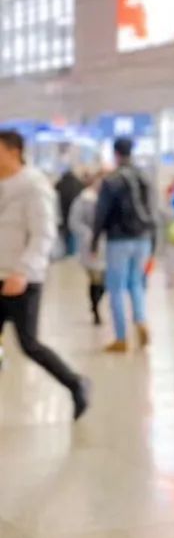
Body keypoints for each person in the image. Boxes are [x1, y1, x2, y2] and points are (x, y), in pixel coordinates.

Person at [0, 130, 90, 419]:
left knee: (29, 344)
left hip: (21, 279)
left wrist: (23, 271)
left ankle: (75, 383)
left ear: (13, 151)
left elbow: (43, 235)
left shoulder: (34, 186)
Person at [93, 137, 157, 353]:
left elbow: (101, 213)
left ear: (115, 153)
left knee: (116, 288)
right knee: (136, 283)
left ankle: (121, 338)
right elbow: (153, 210)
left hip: (118, 239)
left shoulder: (112, 180)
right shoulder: (144, 177)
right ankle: (141, 321)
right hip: (143, 238)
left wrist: (94, 240)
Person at [69, 173, 107, 326]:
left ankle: (96, 303)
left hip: (108, 246)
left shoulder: (110, 199)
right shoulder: (83, 200)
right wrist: (88, 234)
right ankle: (95, 308)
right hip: (90, 246)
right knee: (95, 279)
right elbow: (74, 221)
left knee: (105, 282)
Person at [55, 167, 85, 257]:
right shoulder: (79, 183)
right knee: (73, 231)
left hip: (62, 211)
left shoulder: (59, 184)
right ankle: (73, 252)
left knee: (64, 233)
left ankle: (66, 252)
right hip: (76, 211)